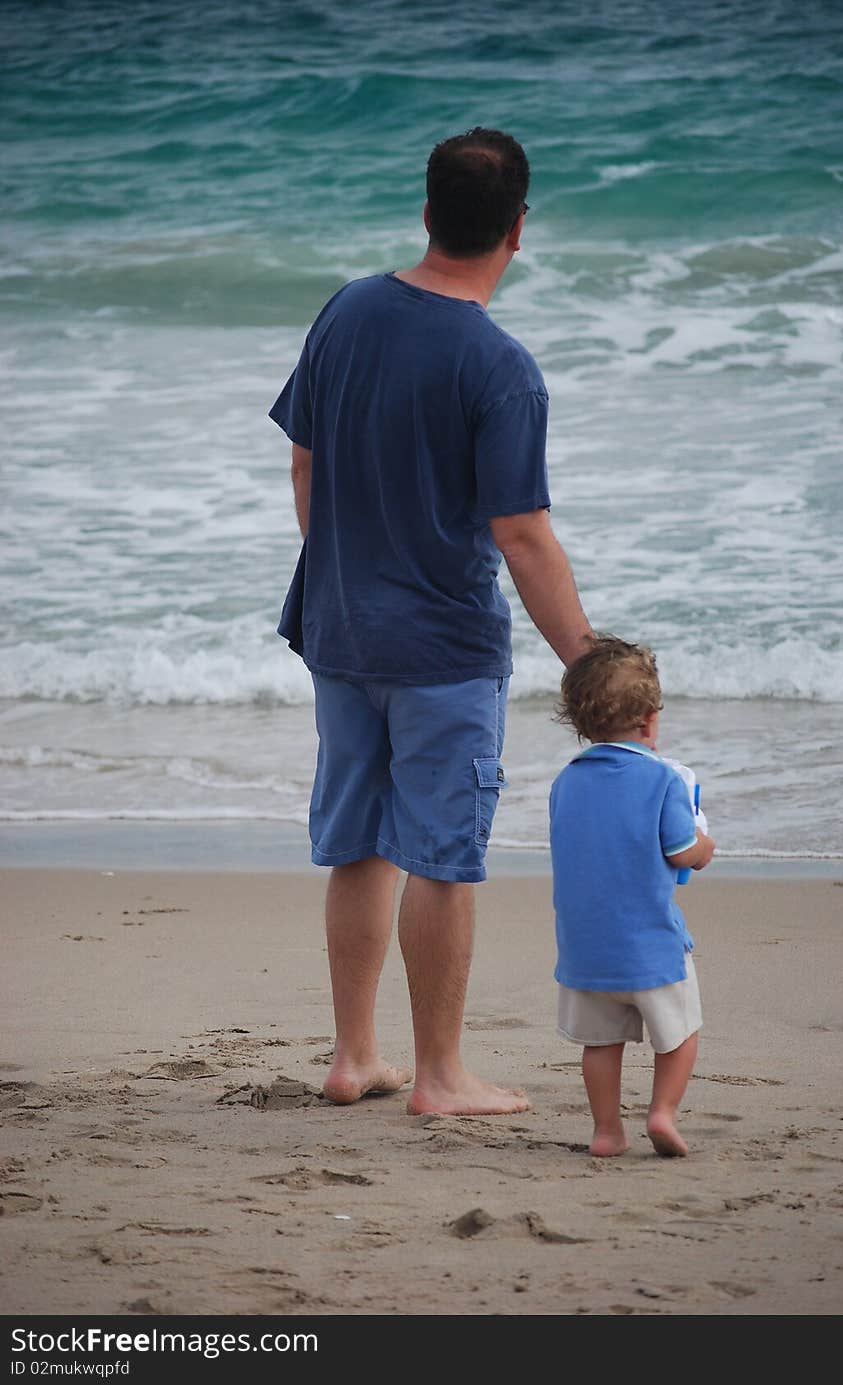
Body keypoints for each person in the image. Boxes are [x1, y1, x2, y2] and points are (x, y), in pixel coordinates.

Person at [270, 128, 594, 1117]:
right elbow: (522, 535)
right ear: (518, 230)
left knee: (358, 841)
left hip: (338, 624)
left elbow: (303, 463)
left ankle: (353, 1054)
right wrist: (589, 664)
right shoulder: (498, 367)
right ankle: (441, 1075)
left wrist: (346, 575)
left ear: (425, 211)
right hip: (442, 647)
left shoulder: (349, 308)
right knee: (441, 857)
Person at [549, 635, 715, 1156]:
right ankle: (661, 1113)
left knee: (601, 1044)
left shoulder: (564, 783)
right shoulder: (663, 780)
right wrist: (705, 845)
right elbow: (681, 850)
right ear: (648, 722)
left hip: (586, 951)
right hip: (651, 945)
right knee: (681, 1032)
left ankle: (606, 1131)